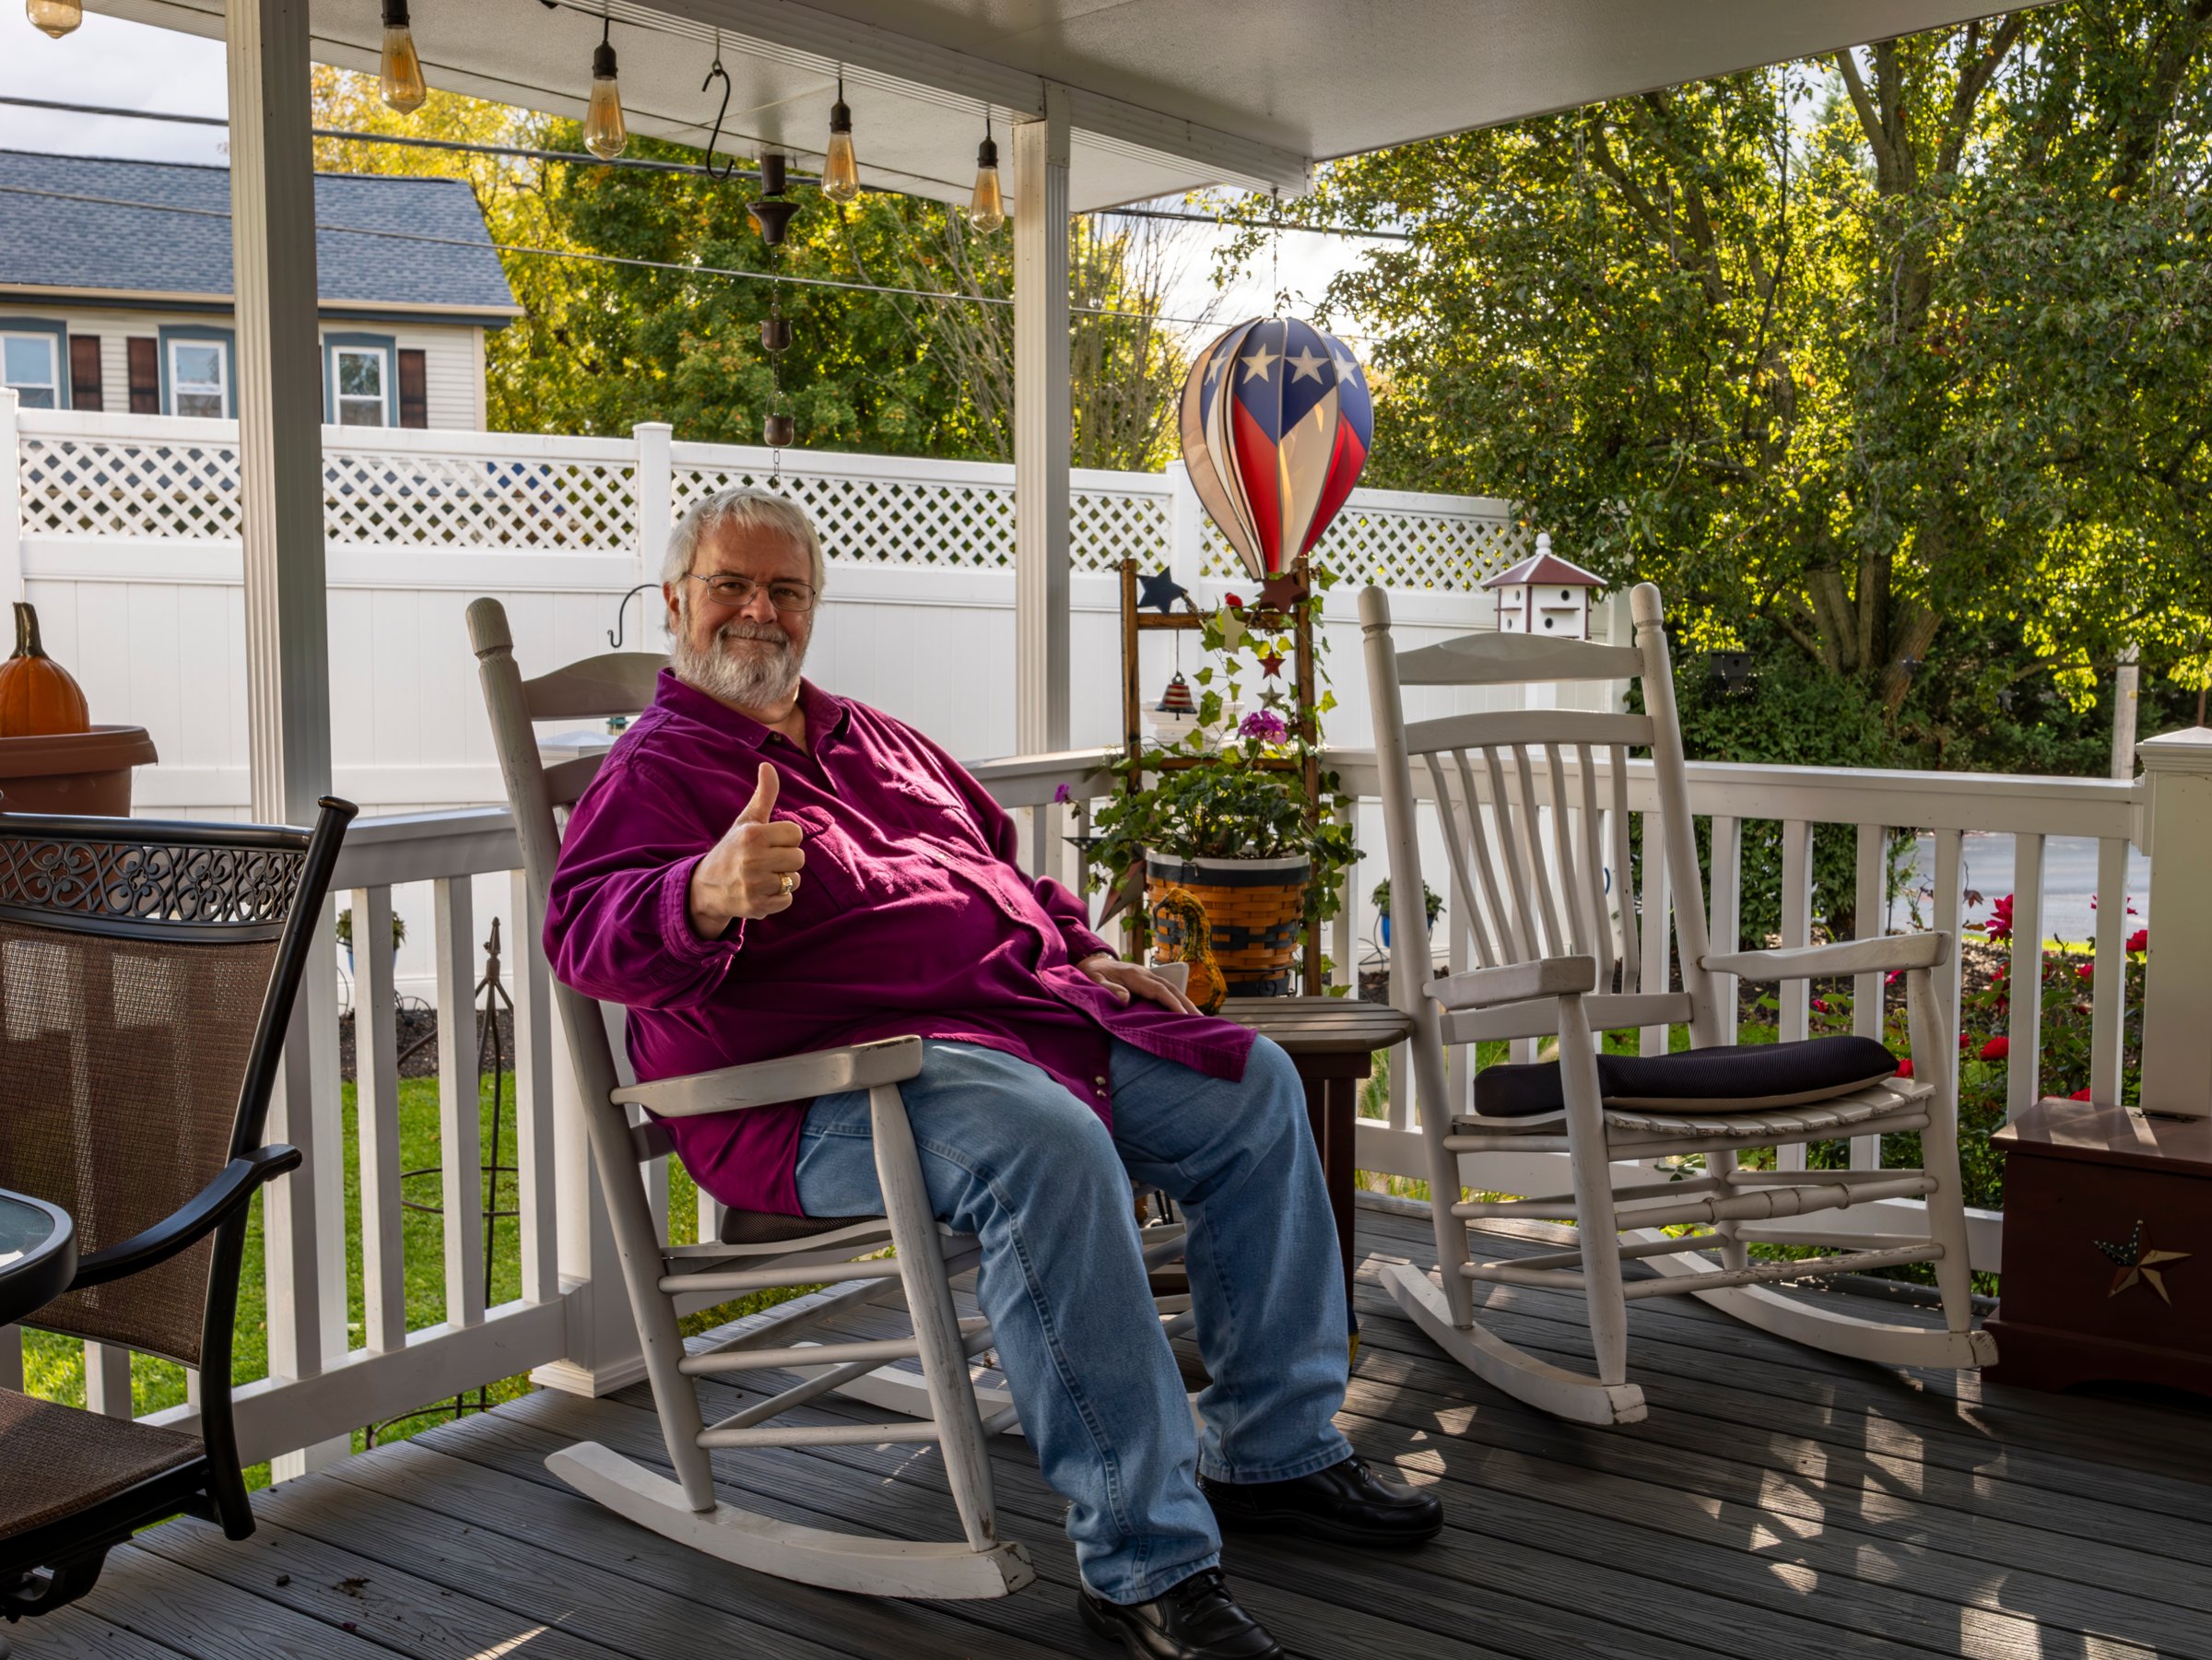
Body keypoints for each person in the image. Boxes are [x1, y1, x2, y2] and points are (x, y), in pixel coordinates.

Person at [546, 488, 1441, 1660]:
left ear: (812, 608)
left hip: (1019, 1026)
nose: (757, 612)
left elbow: (1007, 878)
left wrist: (1094, 955)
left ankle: (1274, 1449)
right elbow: (583, 929)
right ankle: (1144, 1564)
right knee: (1049, 1147)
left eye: (785, 590)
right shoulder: (657, 768)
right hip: (810, 1089)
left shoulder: (876, 736)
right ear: (676, 600)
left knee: (1252, 1086)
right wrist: (702, 892)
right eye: (730, 585)